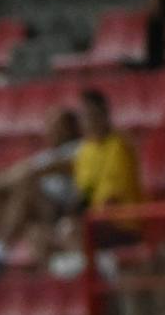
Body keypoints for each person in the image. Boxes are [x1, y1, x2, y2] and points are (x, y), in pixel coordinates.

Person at [0, 107, 82, 270]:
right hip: (39, 210)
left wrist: (0, 182)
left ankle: (0, 247)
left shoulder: (78, 148)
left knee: (26, 188)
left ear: (69, 128)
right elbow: (20, 171)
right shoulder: (46, 154)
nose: (51, 130)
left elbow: (34, 171)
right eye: (49, 125)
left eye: (57, 126)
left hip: (61, 208)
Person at [52, 88, 145, 276]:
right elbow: (84, 194)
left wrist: (80, 220)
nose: (89, 121)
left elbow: (111, 200)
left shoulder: (119, 146)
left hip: (122, 223)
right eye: (84, 116)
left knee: (72, 231)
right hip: (94, 219)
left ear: (104, 116)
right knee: (43, 234)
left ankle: (95, 278)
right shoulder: (86, 150)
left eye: (93, 115)